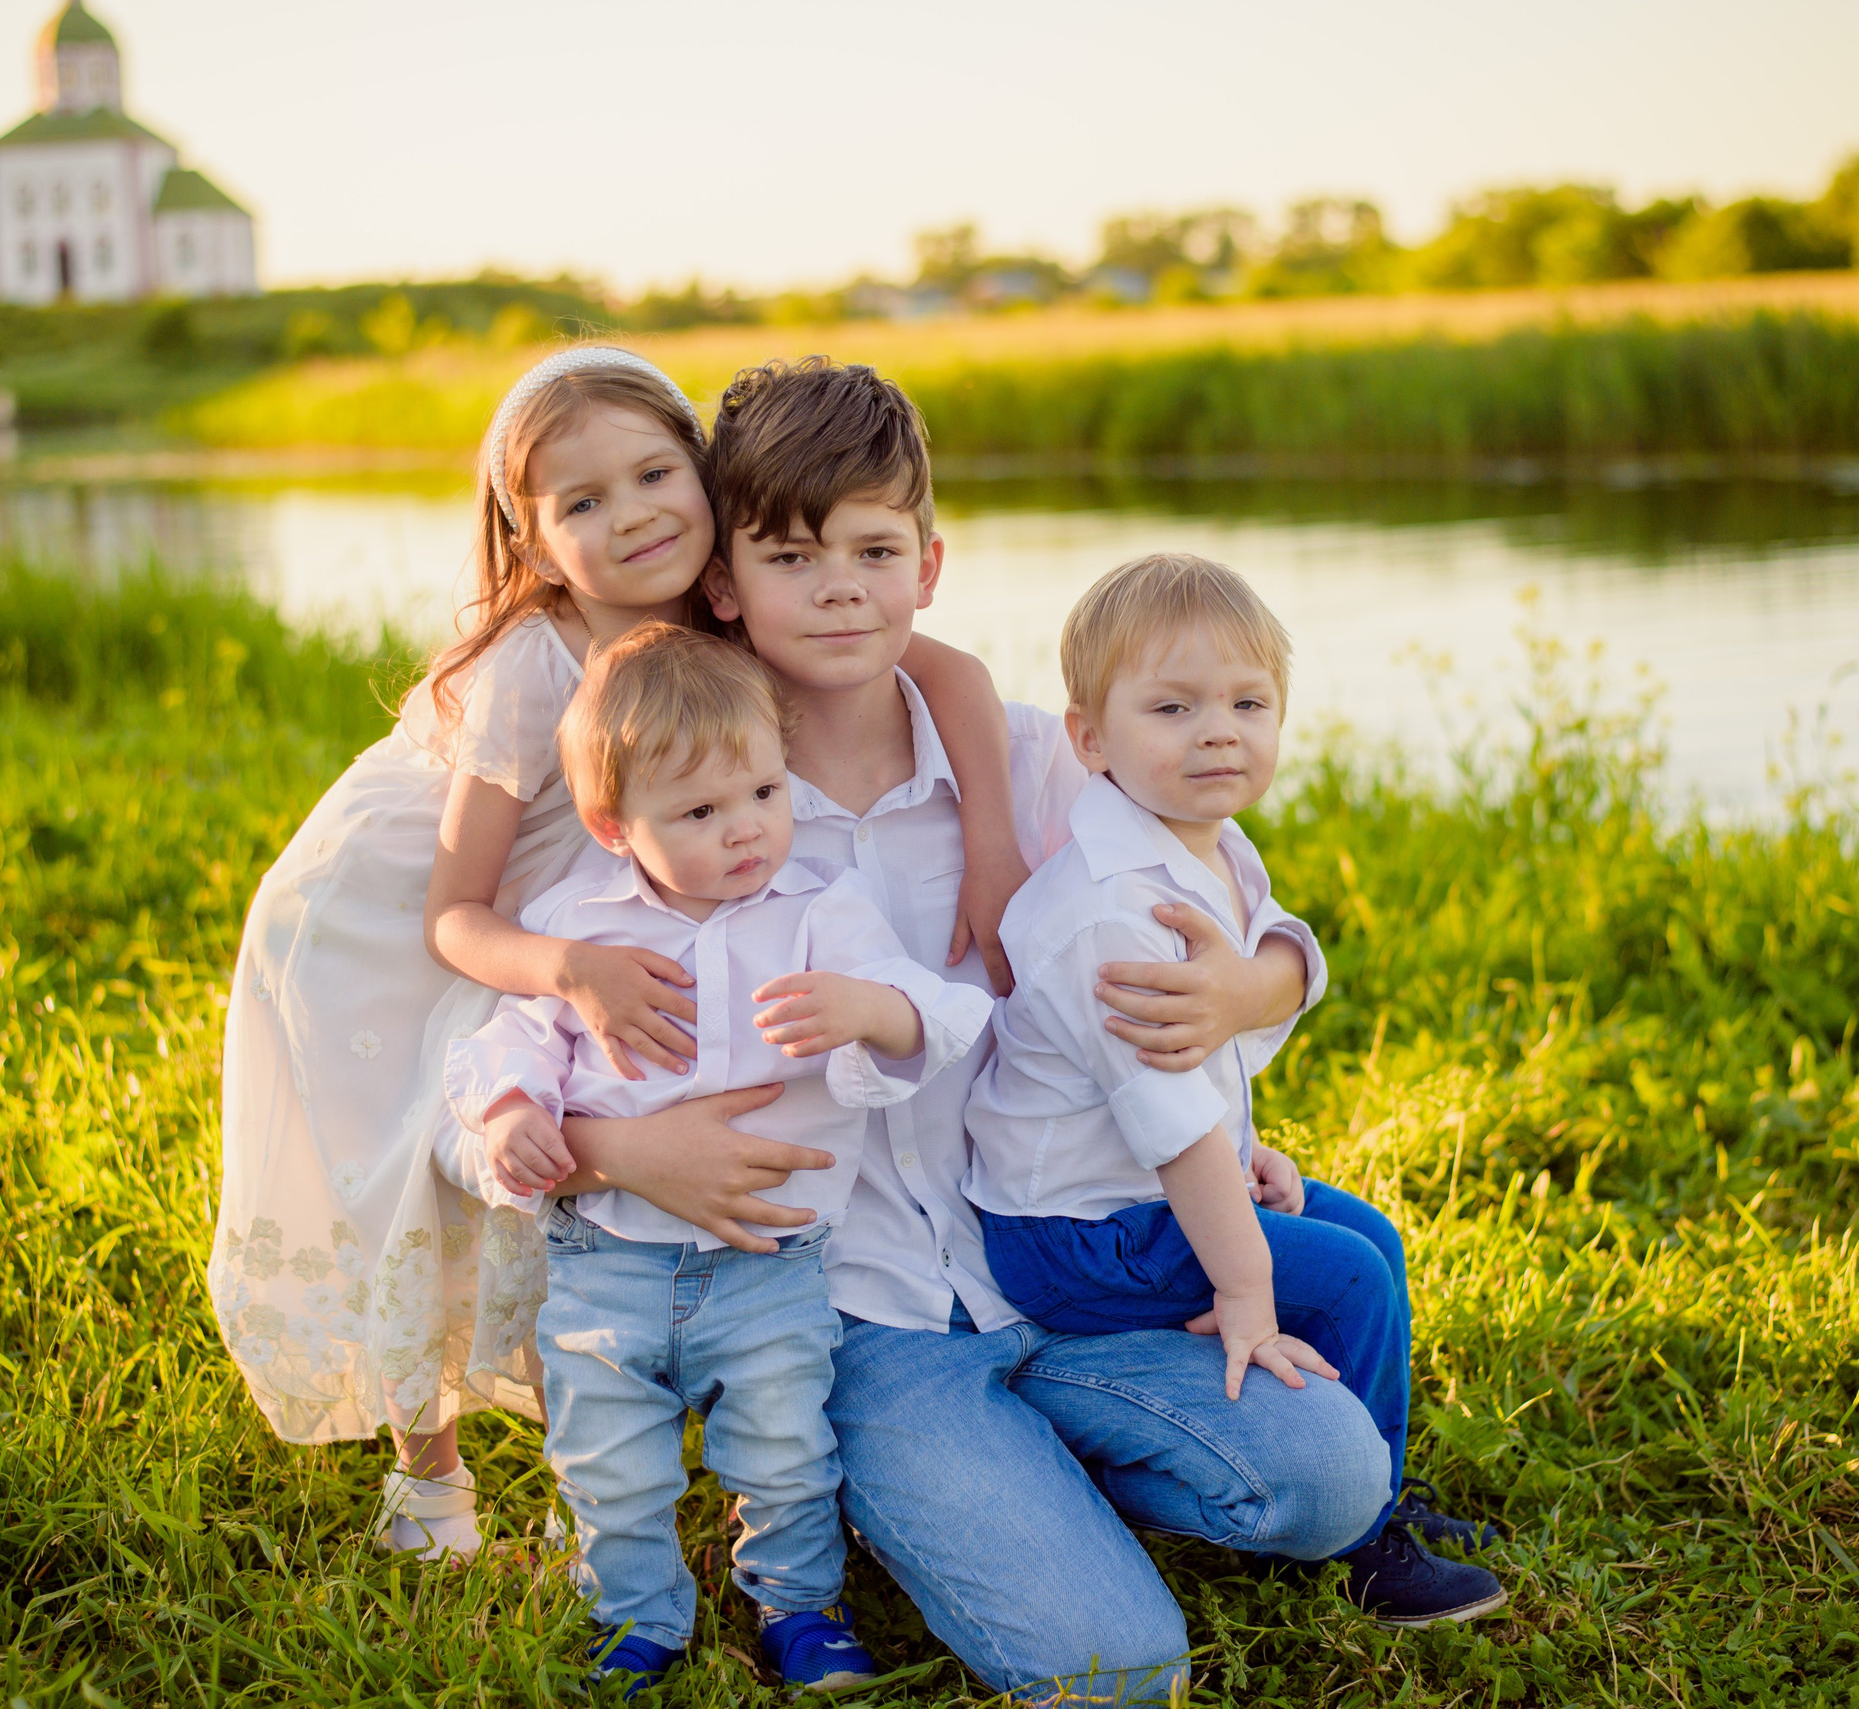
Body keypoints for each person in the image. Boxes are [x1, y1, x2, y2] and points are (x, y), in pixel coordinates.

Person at [546, 357, 1393, 1704]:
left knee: (1337, 1480)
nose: (839, 587)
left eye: (876, 551)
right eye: (791, 556)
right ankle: (964, 1486)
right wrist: (610, 1149)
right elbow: (524, 1041)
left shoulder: (1036, 757)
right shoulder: (680, 809)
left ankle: (1070, 1461)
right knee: (1116, 1672)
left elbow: (1228, 911)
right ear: (725, 586)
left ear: (928, 565)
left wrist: (1261, 995)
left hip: (1065, 1256)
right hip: (864, 1313)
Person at [207, 346, 1025, 1565]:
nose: (634, 513)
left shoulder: (721, 600)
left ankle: (578, 1456)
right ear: (532, 543)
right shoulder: (529, 668)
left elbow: (944, 662)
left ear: (704, 480)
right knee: (422, 1176)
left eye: (655, 473)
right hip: (391, 925)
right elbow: (454, 915)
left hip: (571, 899)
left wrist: (992, 835)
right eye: (582, 502)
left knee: (551, 1168)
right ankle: (426, 1473)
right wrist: (571, 971)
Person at [440, 622, 992, 1696]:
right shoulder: (580, 924)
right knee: (610, 1457)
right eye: (698, 812)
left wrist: (867, 1005)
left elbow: (942, 1011)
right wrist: (510, 1110)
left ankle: (799, 1608)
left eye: (764, 793)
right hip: (608, 1256)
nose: (745, 831)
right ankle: (635, 1616)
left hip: (768, 1259)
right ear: (613, 824)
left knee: (785, 1447)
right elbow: (513, 1036)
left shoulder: (819, 910)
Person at [965, 552, 1506, 1627]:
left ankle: (1382, 1485)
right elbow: (1167, 1132)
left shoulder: (1210, 845)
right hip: (1075, 1231)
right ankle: (1361, 1542)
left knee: (1373, 1241)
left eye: (1248, 703)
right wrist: (1245, 1291)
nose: (1219, 731)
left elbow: (1211, 1050)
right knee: (1339, 1279)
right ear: (1090, 738)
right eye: (1173, 707)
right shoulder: (1110, 916)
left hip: (1139, 1190)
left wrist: (1243, 1145)